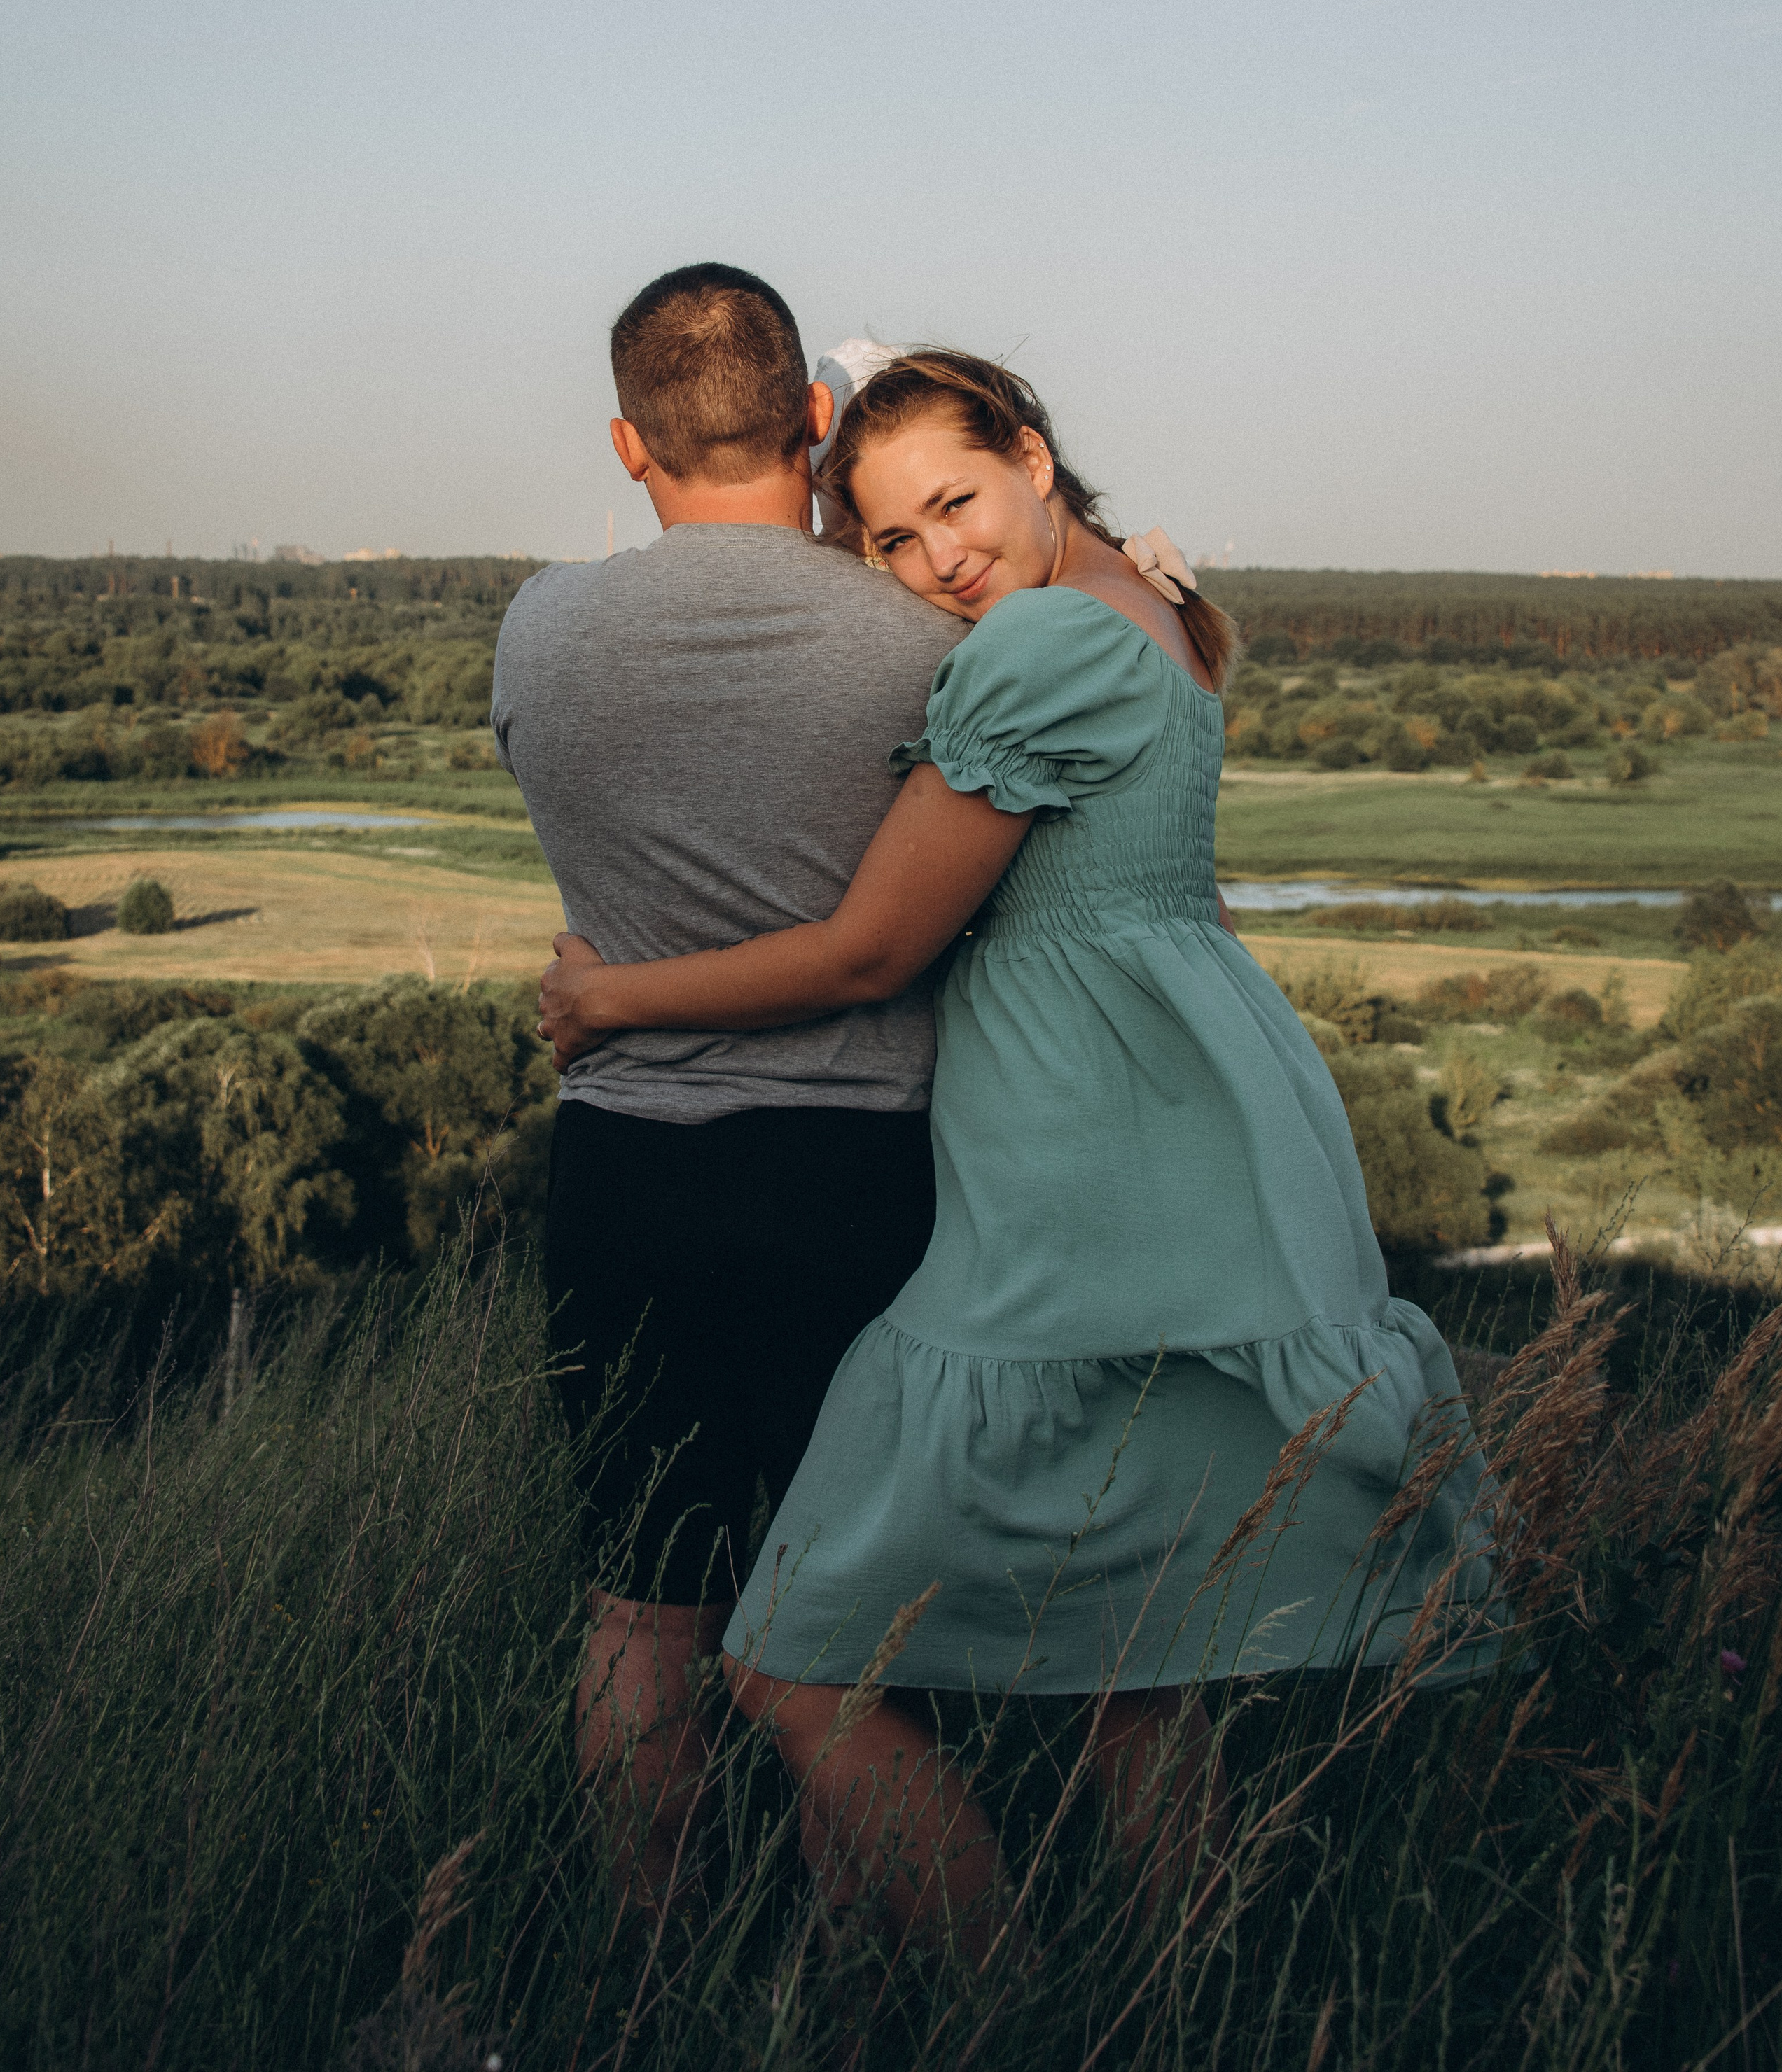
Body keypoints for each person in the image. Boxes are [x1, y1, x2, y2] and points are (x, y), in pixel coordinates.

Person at [539, 349, 1494, 1958]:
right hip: (1187, 1127)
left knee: (786, 1658)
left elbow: (867, 952)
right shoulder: (1154, 603)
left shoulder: (1043, 645)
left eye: (955, 506)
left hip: (1077, 1158)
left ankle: (996, 2003)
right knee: (1130, 1668)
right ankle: (1177, 2008)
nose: (935, 565)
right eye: (892, 543)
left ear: (1035, 460)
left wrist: (610, 995)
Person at [492, 271, 963, 1919]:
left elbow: (592, 886)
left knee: (640, 1617)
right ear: (815, 421)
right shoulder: (923, 646)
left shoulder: (540, 629)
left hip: (624, 1169)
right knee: (848, 1635)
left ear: (629, 445)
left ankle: (644, 1979)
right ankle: (849, 2001)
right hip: (862, 1183)